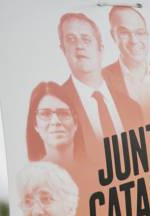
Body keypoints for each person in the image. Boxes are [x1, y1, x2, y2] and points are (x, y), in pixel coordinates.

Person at [55, 12, 142, 159]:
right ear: (63, 49)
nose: (79, 46)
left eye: (86, 39)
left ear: (100, 49)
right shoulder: (55, 109)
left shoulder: (132, 107)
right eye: (71, 40)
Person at [102, 6, 150, 122]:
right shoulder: (101, 81)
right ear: (113, 36)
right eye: (124, 33)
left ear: (147, 34)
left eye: (140, 32)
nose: (134, 41)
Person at [25, 81, 83, 165]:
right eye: (45, 114)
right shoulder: (29, 177)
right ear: (35, 124)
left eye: (63, 113)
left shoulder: (95, 167)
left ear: (76, 122)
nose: (56, 122)